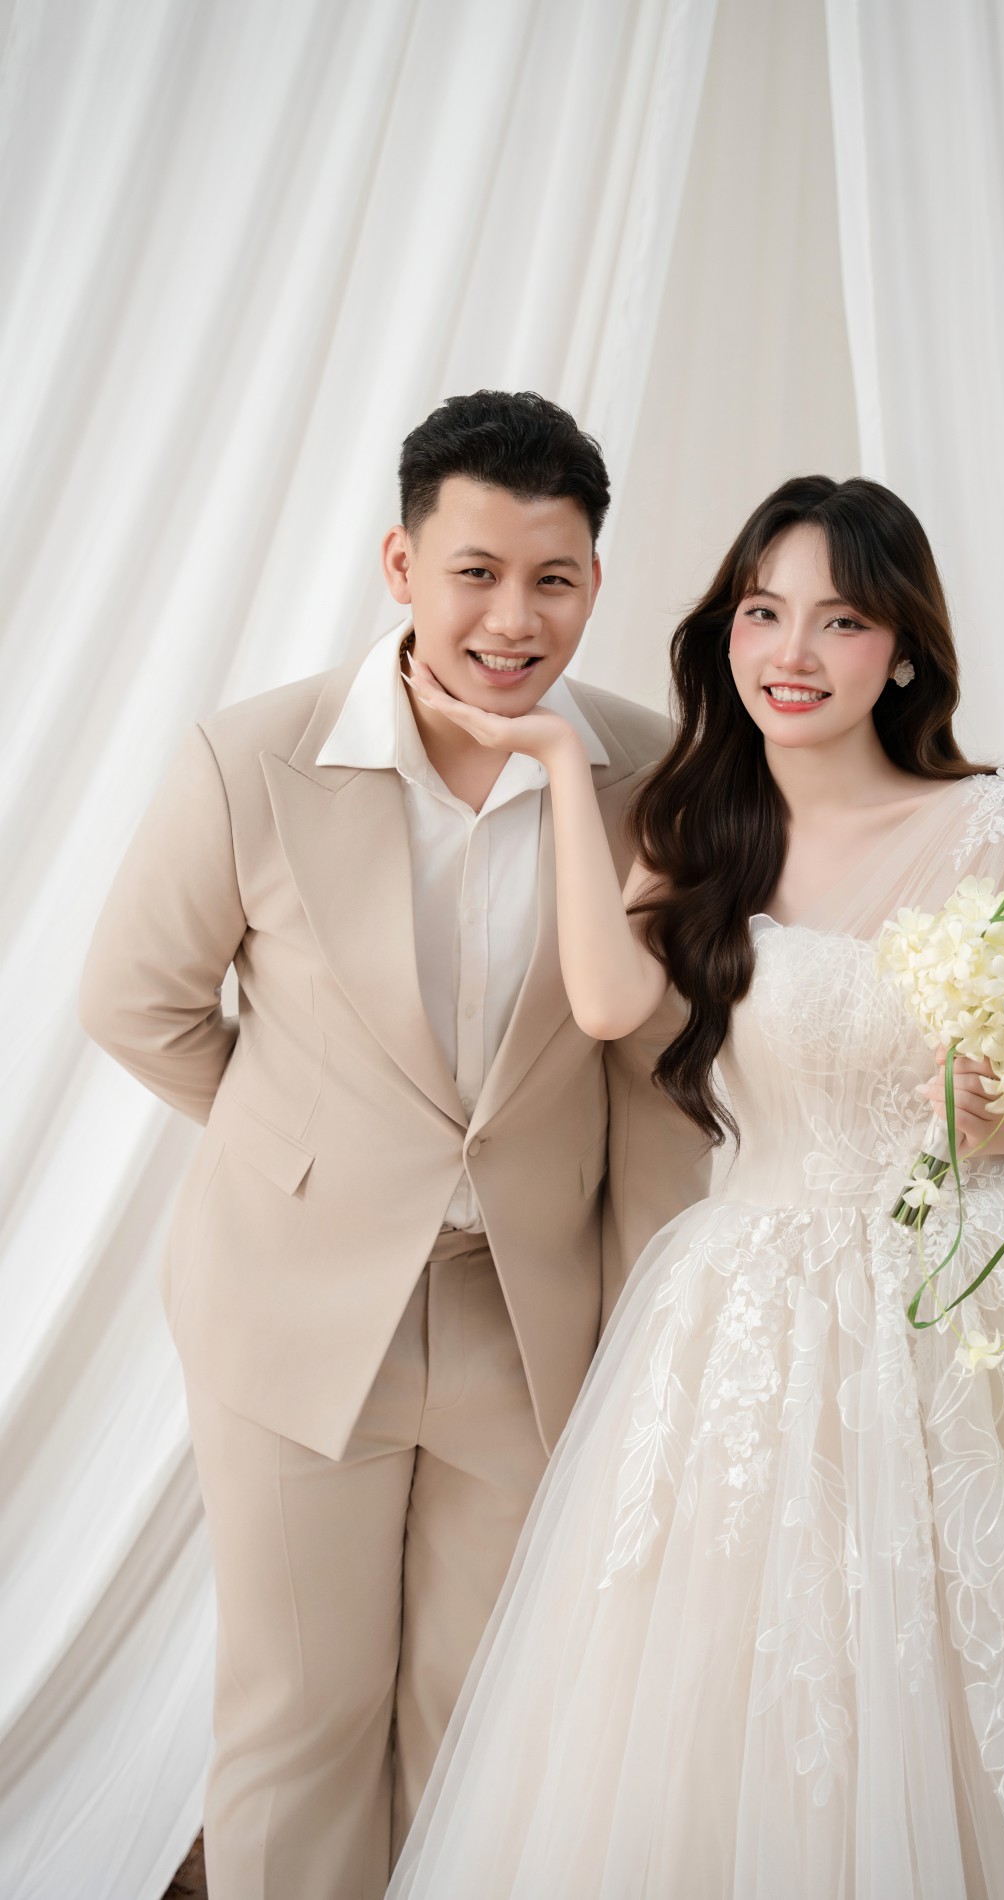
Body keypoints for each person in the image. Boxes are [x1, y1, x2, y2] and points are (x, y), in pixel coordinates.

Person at [387, 474, 1004, 1898]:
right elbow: (609, 1006)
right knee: (751, 1667)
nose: (791, 653)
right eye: (762, 612)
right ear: (727, 632)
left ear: (902, 650)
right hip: (755, 1304)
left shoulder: (991, 823)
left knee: (974, 1657)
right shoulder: (695, 822)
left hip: (961, 1303)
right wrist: (552, 756)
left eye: (841, 621)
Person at [78, 390, 709, 1899]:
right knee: (298, 1718)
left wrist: (648, 1329)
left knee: (483, 1718)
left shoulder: (652, 775)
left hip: (532, 1321)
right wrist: (309, 1157)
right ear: (401, 564)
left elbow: (654, 1082)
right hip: (294, 1311)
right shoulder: (253, 757)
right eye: (474, 572)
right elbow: (136, 1003)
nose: (513, 618)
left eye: (553, 579)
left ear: (597, 583)